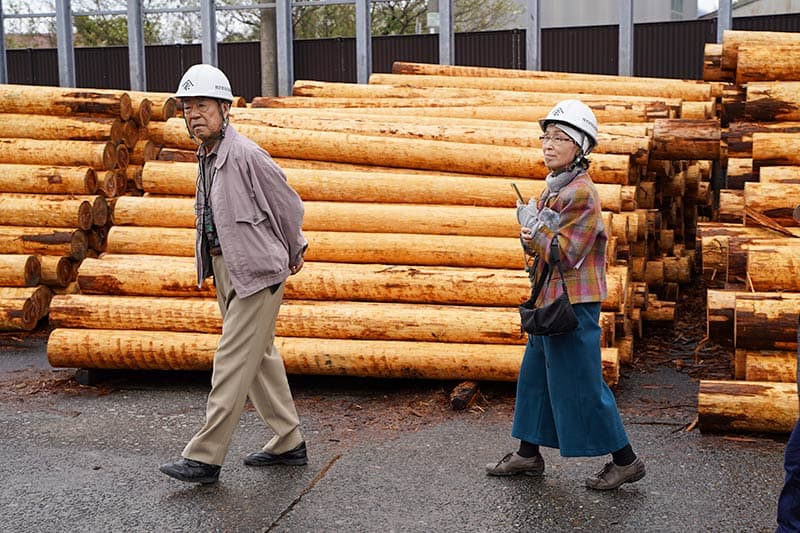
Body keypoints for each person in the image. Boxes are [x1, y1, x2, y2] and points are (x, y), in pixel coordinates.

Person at [159, 64, 309, 484]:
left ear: (225, 108)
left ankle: (205, 457)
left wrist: (296, 248)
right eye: (187, 108)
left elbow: (288, 205)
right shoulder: (205, 155)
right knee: (258, 357)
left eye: (202, 106)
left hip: (258, 272)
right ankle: (288, 440)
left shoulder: (246, 154)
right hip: (226, 267)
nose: (193, 115)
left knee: (229, 360)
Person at [486, 99, 646, 490]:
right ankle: (528, 453)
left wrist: (534, 233)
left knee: (583, 382)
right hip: (550, 302)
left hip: (574, 306)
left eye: (560, 137)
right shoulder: (553, 189)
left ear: (581, 147)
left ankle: (625, 460)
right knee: (536, 378)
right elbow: (543, 251)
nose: (548, 144)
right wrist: (531, 232)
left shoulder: (581, 193)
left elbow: (566, 252)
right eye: (546, 136)